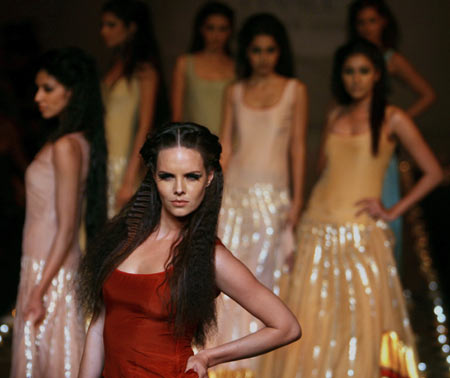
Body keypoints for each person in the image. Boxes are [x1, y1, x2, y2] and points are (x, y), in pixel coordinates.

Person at [77, 122, 301, 378]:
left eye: (192, 176)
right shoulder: (123, 239)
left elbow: (286, 327)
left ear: (209, 178)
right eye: (167, 176)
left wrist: (208, 356)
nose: (179, 189)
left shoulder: (212, 258)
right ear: (153, 176)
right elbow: (98, 326)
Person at [277, 39, 442, 377]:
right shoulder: (335, 111)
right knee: (313, 320)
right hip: (316, 226)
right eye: (349, 71)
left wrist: (394, 210)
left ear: (377, 75)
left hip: (361, 233)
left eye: (363, 71)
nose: (356, 78)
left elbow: (434, 173)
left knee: (361, 324)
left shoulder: (394, 118)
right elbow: (323, 169)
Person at [212, 13, 308, 375]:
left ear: (279, 52)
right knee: (229, 278)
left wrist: (297, 200)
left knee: (265, 280)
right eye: (256, 50)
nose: (263, 57)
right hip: (234, 194)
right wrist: (212, 191)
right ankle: (225, 363)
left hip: (273, 199)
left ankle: (258, 367)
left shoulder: (294, 89)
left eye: (270, 50)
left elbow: (298, 147)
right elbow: (226, 147)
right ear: (246, 52)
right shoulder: (234, 90)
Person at [10, 47, 107, 378]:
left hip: (50, 271)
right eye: (37, 88)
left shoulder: (67, 146)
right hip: (45, 266)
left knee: (57, 362)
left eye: (47, 88)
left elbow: (68, 227)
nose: (38, 97)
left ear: (73, 91)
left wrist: (39, 289)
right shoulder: (71, 140)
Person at [348, 0, 437, 265]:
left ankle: (382, 277)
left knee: (381, 207)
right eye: (361, 22)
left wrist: (398, 122)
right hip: (351, 143)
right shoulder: (350, 56)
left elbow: (428, 94)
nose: (366, 28)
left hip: (378, 145)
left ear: (383, 22)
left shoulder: (391, 59)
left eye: (371, 21)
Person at [100, 0, 168, 217]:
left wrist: (129, 179)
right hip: (102, 159)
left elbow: (145, 125)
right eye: (103, 25)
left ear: (131, 27)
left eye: (111, 25)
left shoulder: (144, 69)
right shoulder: (115, 63)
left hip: (124, 162)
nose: (104, 31)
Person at [171, 1, 235, 136]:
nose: (216, 36)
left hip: (230, 145)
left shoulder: (237, 67)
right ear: (201, 29)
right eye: (210, 28)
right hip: (195, 143)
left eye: (222, 29)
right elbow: (177, 116)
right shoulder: (185, 63)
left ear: (230, 31)